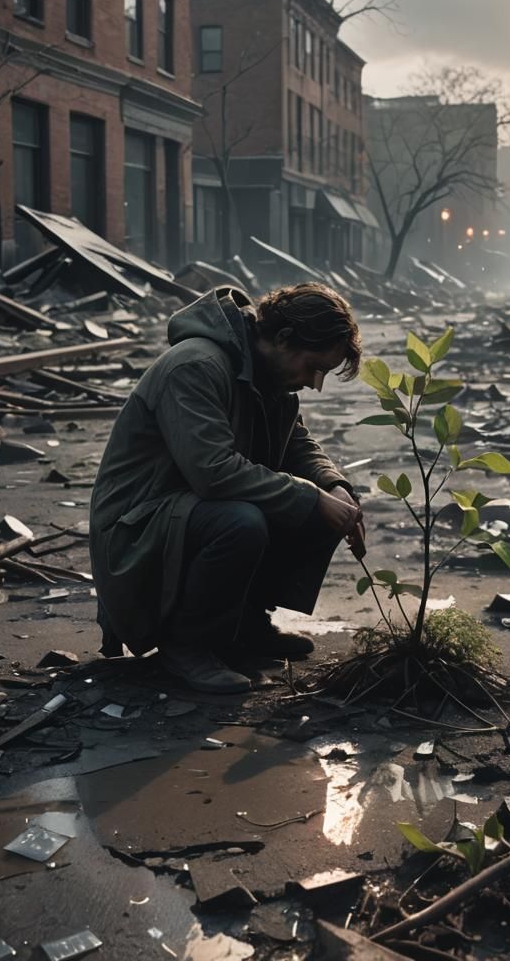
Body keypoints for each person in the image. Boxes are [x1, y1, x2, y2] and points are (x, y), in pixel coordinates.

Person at [89, 282, 366, 694]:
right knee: (244, 520)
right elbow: (213, 472)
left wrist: (334, 486)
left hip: (184, 516)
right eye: (314, 367)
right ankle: (186, 647)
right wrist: (311, 497)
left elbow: (295, 443)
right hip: (136, 533)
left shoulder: (268, 374)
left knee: (320, 504)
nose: (314, 383)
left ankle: (245, 626)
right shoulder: (195, 366)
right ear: (284, 339)